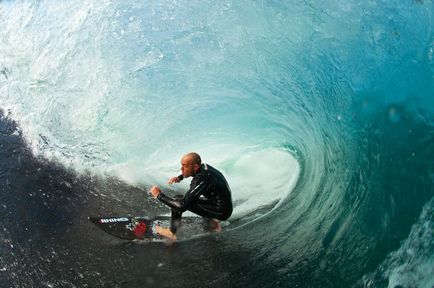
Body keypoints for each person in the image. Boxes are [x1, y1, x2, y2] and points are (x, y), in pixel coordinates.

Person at [150, 152, 233, 240]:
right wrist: (180, 177)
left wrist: (159, 195)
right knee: (188, 198)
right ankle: (213, 220)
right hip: (219, 204)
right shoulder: (204, 167)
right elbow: (191, 171)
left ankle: (171, 233)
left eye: (185, 166)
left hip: (222, 212)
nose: (181, 168)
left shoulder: (201, 178)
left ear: (196, 166)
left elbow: (182, 206)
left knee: (179, 200)